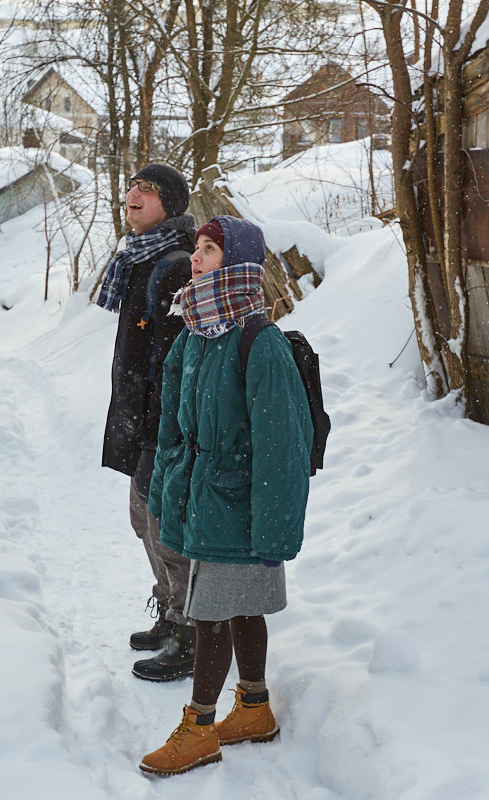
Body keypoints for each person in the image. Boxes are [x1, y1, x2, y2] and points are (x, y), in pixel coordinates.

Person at [138, 215, 313, 776]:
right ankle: (256, 708)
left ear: (237, 263)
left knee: (212, 614)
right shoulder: (194, 334)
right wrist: (168, 490)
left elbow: (282, 447)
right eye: (197, 248)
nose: (196, 258)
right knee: (237, 609)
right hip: (206, 502)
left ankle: (200, 727)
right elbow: (171, 427)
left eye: (209, 249)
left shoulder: (260, 344)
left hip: (242, 507)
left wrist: (274, 532)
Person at [98, 163, 198, 682]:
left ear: (170, 204)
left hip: (160, 422)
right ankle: (168, 608)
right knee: (143, 521)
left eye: (147, 189)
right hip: (138, 416)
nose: (132, 193)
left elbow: (174, 358)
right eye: (132, 184)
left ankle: (189, 630)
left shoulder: (176, 263)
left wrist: (160, 433)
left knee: (165, 527)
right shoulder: (140, 257)